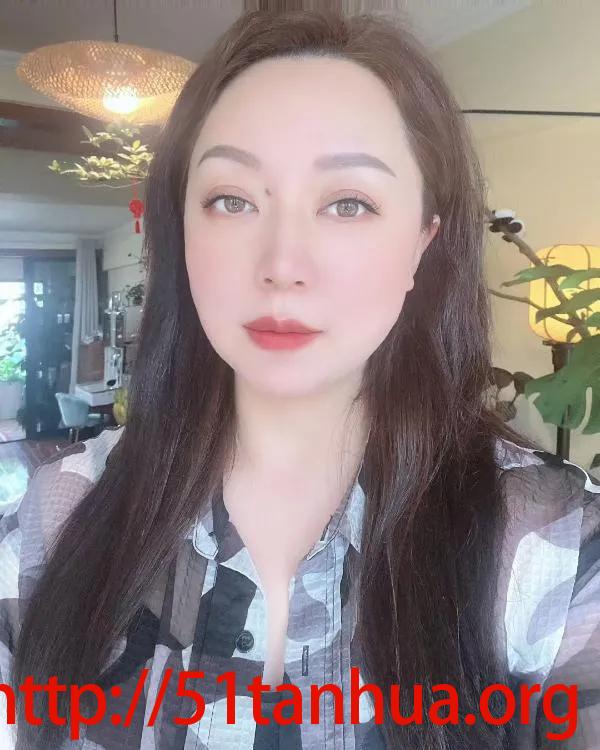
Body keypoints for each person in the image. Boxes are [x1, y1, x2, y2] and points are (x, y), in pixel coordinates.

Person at [1, 8, 599, 750]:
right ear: (180, 231)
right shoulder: (52, 518)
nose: (282, 263)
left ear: (424, 242)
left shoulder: (559, 549)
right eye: (232, 199)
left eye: (348, 203)